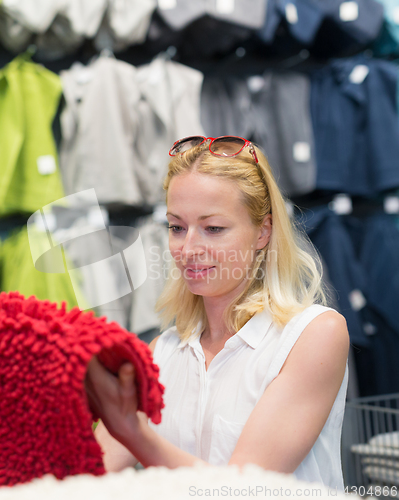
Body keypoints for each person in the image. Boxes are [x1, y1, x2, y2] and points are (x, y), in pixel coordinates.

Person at [85, 136, 349, 490]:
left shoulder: (314, 335)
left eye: (213, 229)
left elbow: (243, 490)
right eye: (177, 227)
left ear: (263, 232)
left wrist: (138, 436)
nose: (188, 248)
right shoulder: (162, 352)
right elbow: (89, 471)